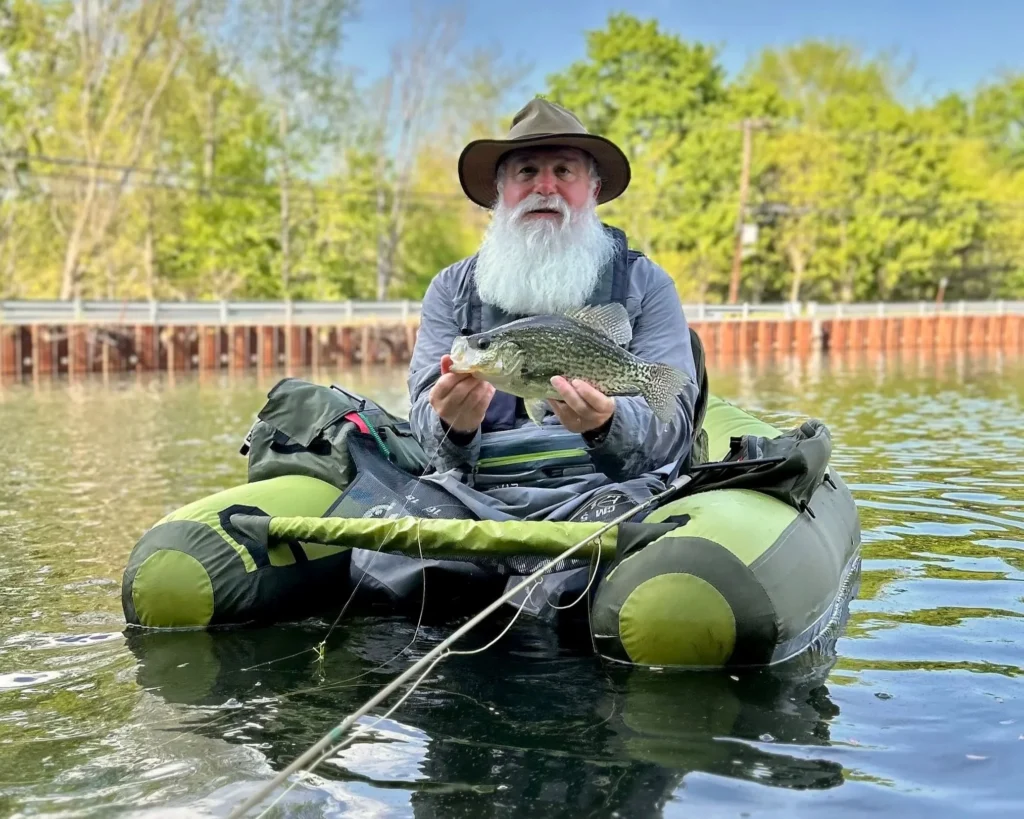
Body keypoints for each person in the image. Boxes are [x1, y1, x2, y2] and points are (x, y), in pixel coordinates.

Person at [406, 97, 701, 522]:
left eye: (564, 170)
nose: (545, 187)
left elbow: (673, 424)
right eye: (527, 171)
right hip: (474, 496)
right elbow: (425, 426)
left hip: (606, 493)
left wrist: (608, 423)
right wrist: (451, 422)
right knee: (376, 566)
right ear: (499, 192)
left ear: (593, 190)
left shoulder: (647, 284)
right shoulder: (450, 288)